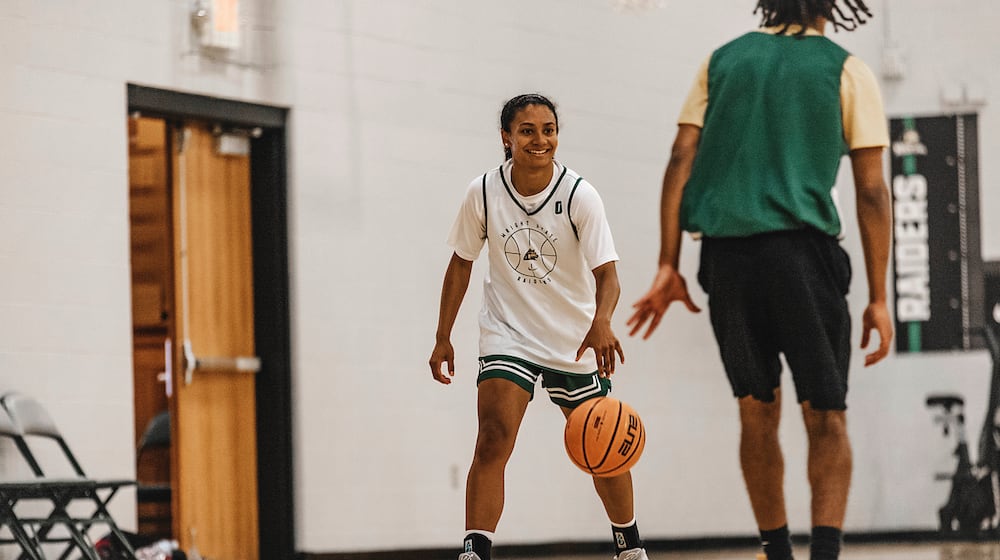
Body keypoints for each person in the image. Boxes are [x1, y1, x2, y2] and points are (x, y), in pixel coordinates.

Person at [626, 2, 893, 560]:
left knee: (756, 407)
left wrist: (667, 263)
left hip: (728, 260)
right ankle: (823, 555)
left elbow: (680, 159)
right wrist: (879, 298)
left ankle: (776, 553)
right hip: (804, 255)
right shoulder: (847, 70)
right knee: (826, 414)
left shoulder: (720, 61)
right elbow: (871, 191)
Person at [430, 93, 649, 560]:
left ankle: (630, 547)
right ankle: (475, 549)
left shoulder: (578, 195)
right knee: (493, 435)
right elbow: (460, 265)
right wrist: (442, 335)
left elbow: (607, 274)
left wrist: (603, 321)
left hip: (573, 339)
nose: (540, 139)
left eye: (548, 129)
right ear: (506, 138)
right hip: (508, 333)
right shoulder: (484, 192)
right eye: (527, 130)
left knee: (603, 443)